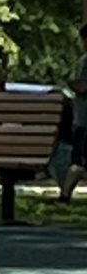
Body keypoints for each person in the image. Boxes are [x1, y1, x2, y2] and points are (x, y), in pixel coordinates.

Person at [60, 22, 87, 201]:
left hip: (84, 120)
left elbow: (83, 86)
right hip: (81, 118)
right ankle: (64, 194)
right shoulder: (83, 60)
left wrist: (69, 83)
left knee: (79, 162)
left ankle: (64, 195)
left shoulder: (85, 61)